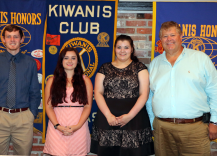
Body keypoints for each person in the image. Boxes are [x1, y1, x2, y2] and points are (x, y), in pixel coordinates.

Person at [146, 21, 217, 156]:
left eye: (172, 35)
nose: (169, 39)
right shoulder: (155, 64)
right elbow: (149, 98)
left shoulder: (200, 59)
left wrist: (215, 121)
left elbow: (215, 90)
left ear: (181, 36)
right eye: (165, 36)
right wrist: (152, 124)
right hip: (162, 130)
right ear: (160, 40)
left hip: (194, 129)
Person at [90, 35, 154, 156]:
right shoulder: (104, 68)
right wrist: (109, 116)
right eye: (119, 47)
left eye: (126, 47)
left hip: (134, 119)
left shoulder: (140, 68)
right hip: (107, 119)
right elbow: (98, 93)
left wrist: (129, 116)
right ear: (114, 49)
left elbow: (144, 94)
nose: (122, 51)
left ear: (132, 49)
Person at [0, 24, 41, 155]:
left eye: (15, 36)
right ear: (3, 39)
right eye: (8, 37)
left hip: (23, 118)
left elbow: (35, 92)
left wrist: (31, 114)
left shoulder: (30, 62)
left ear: (22, 39)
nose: (12, 40)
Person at [43, 47, 93, 156]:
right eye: (66, 58)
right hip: (57, 127)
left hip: (78, 126)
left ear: (78, 61)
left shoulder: (86, 81)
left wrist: (77, 126)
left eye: (73, 58)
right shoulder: (52, 81)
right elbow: (48, 106)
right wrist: (58, 126)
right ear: (61, 61)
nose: (70, 61)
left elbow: (87, 106)